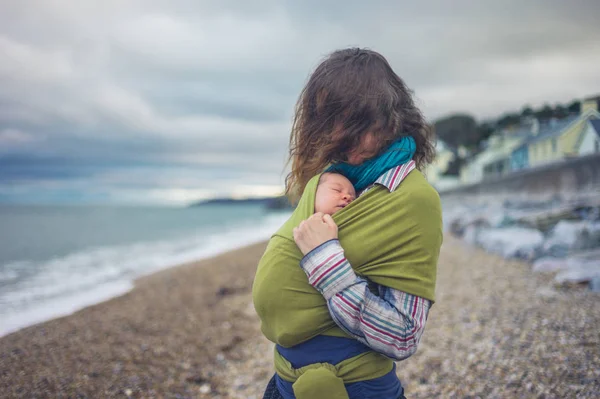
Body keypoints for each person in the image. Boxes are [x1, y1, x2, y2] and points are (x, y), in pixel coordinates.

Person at [253, 47, 443, 399]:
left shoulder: (413, 200)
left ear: (391, 118)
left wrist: (325, 258)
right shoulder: (333, 179)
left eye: (355, 121)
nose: (340, 135)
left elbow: (403, 336)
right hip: (284, 383)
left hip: (355, 388)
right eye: (331, 121)